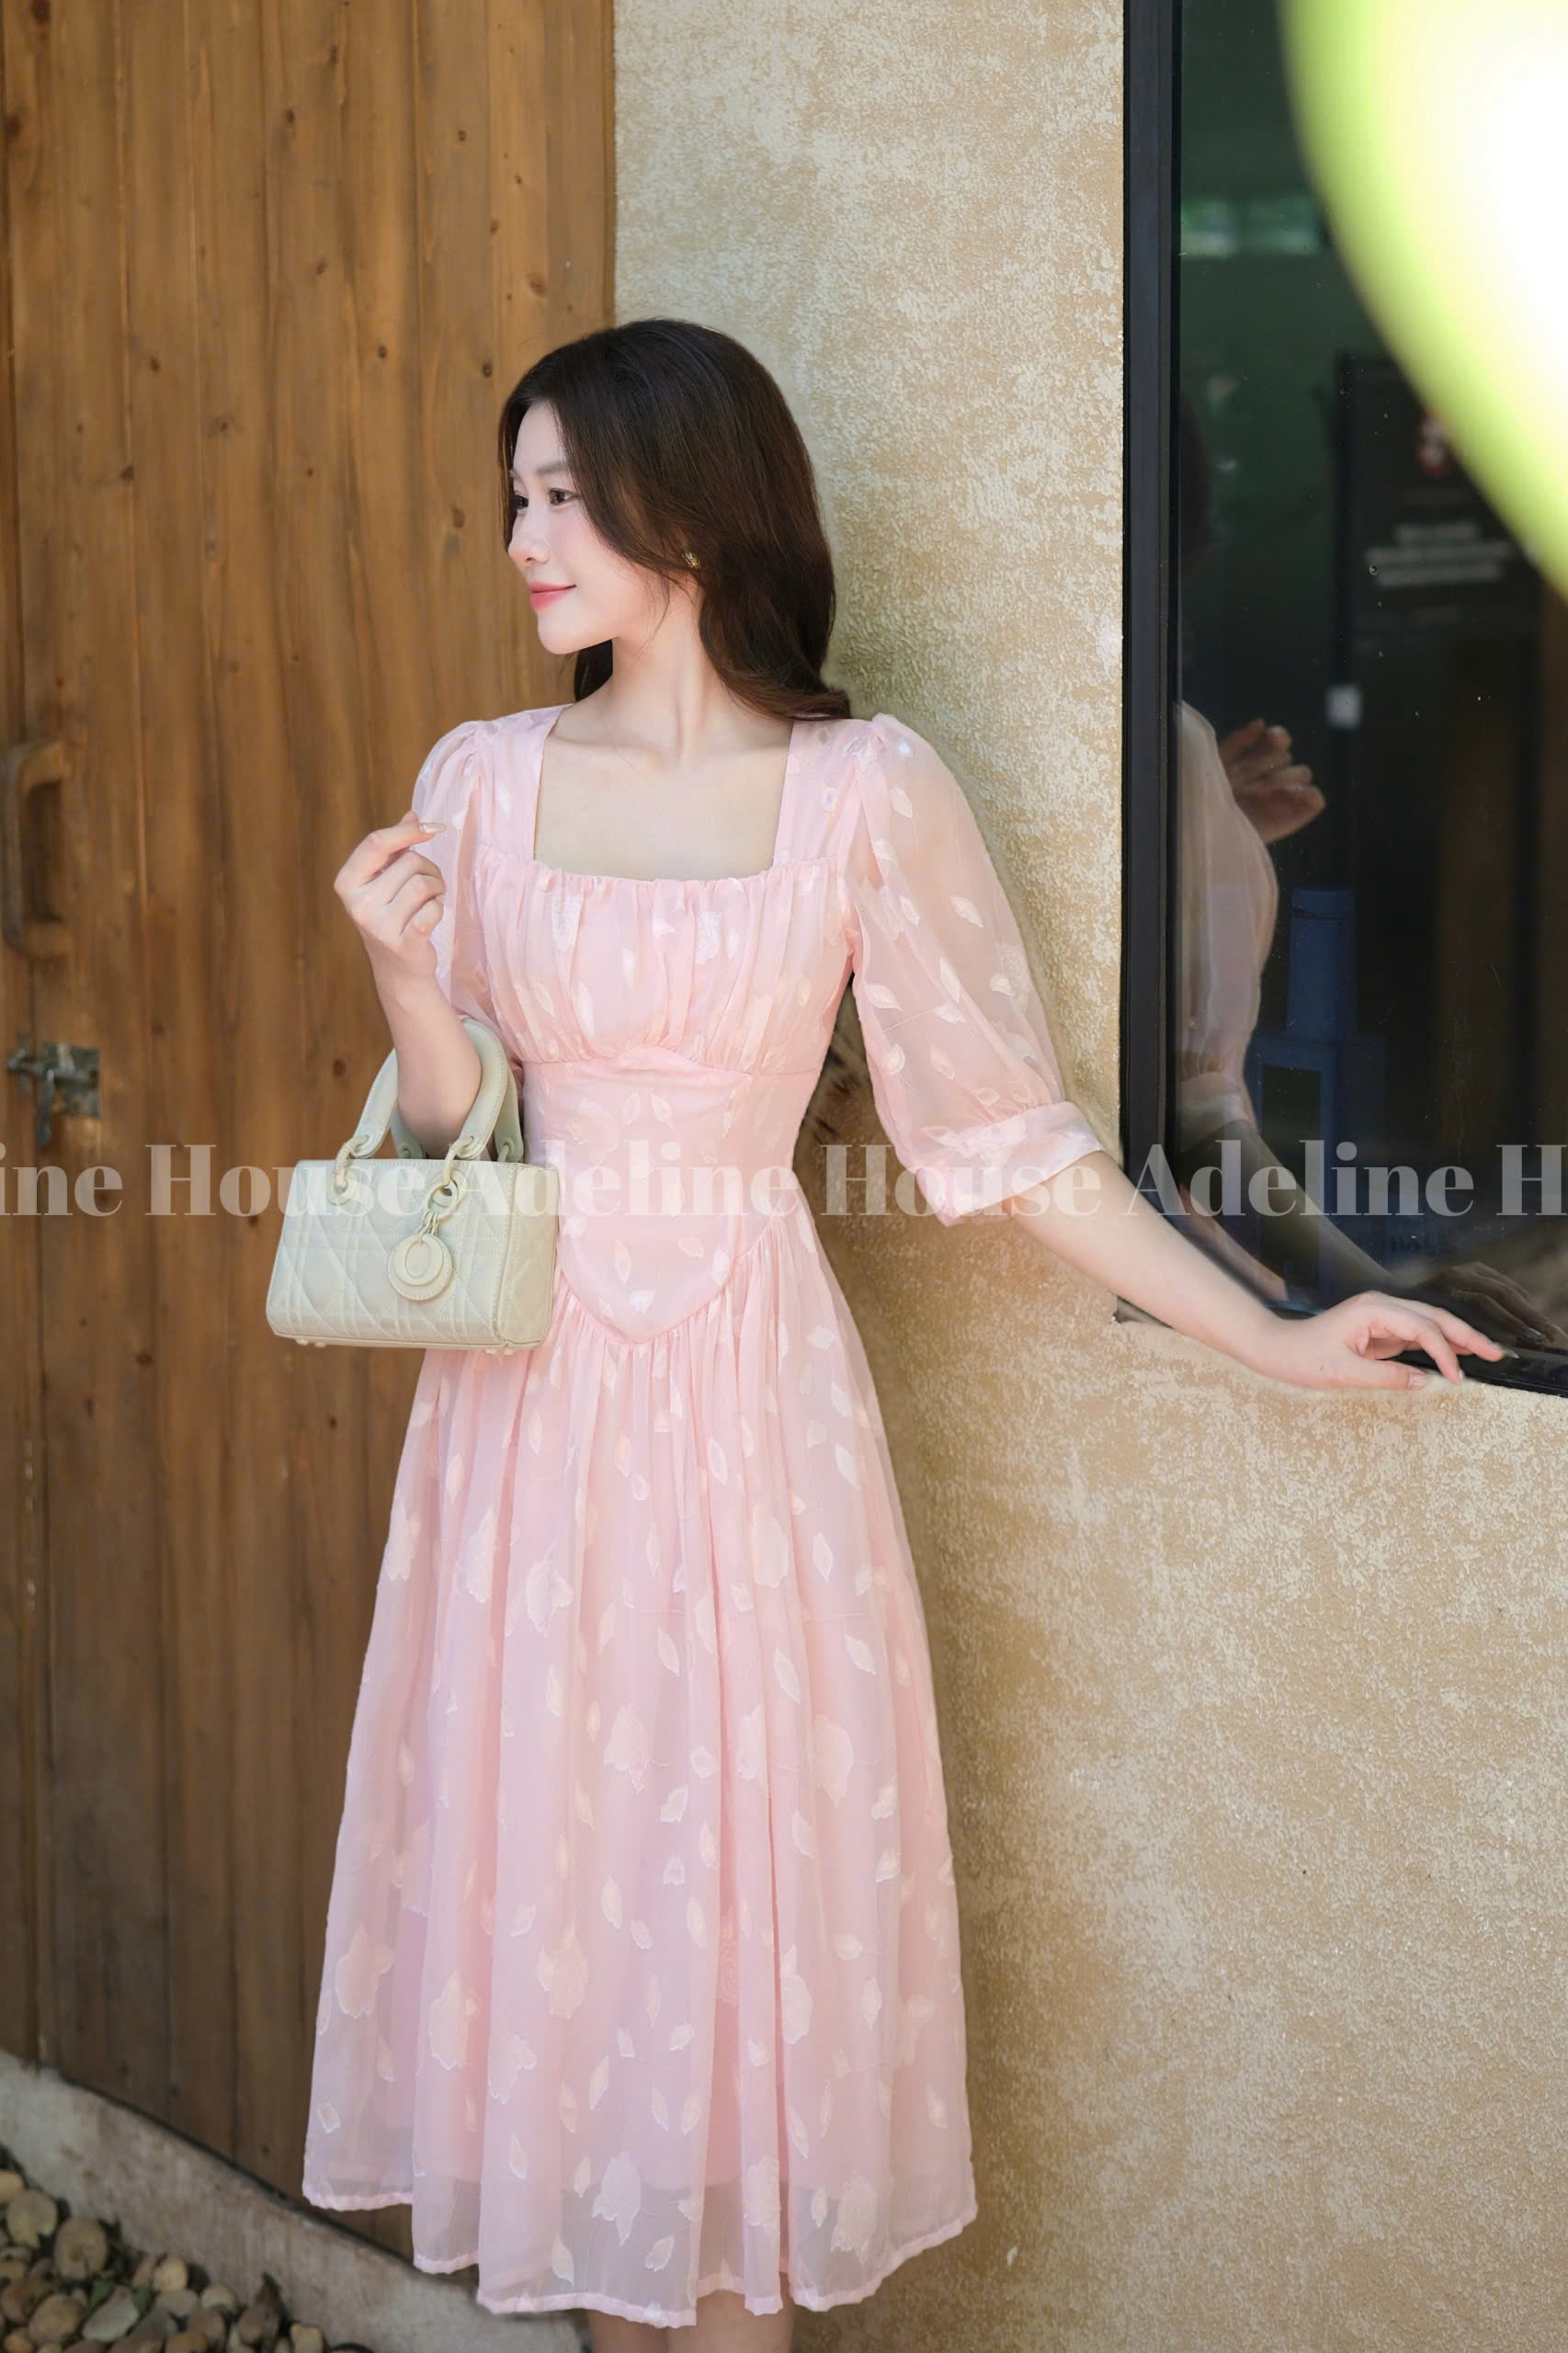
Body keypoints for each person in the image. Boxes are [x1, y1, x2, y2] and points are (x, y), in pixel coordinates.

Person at [302, 320, 1502, 2353]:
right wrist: (409, 989)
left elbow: (1013, 1143)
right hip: (525, 1405)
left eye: (564, 494)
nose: (522, 536)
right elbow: (450, 1147)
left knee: (727, 1916)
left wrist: (1278, 1332)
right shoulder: (479, 782)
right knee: (571, 1912)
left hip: (745, 1401)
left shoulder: (865, 789)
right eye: (516, 495)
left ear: (695, 507)